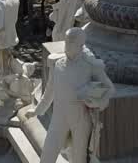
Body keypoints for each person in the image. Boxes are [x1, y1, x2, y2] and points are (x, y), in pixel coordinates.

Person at [28, 27, 114, 163]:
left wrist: (96, 102)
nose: (67, 45)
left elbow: (110, 89)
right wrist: (37, 110)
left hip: (80, 120)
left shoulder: (91, 66)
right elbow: (49, 92)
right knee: (47, 156)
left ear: (81, 45)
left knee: (78, 158)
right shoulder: (58, 65)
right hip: (58, 118)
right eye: (66, 41)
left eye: (71, 42)